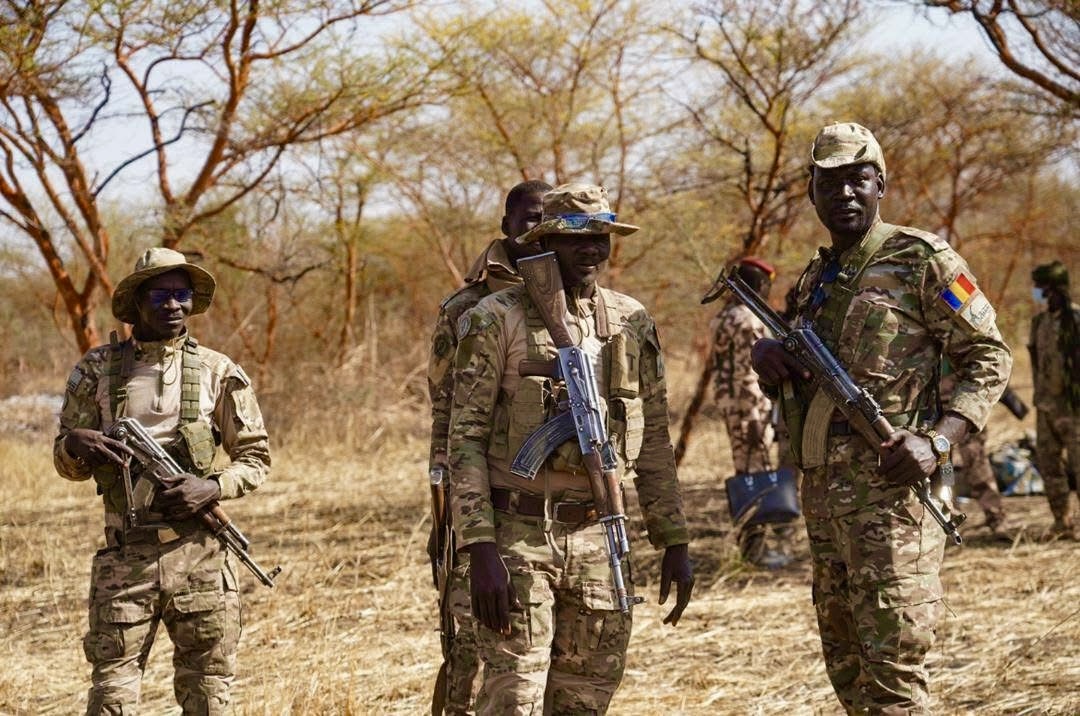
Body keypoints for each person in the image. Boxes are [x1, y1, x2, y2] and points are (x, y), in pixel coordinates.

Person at [750, 123, 1012, 714]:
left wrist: (939, 441)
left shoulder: (922, 259)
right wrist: (770, 357)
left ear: (880, 185)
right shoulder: (817, 278)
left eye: (856, 180)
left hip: (894, 504)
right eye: (829, 183)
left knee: (895, 679)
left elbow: (991, 355)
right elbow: (807, 375)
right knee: (849, 674)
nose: (843, 194)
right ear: (811, 191)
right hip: (825, 506)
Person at [449, 183, 694, 714]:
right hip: (518, 539)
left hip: (600, 538)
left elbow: (653, 438)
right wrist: (480, 547)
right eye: (575, 237)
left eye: (601, 236)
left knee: (585, 700)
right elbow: (462, 439)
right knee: (512, 699)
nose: (591, 248)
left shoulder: (630, 320)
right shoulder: (495, 317)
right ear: (545, 242)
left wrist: (673, 537)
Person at [55, 248, 271, 714]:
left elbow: (255, 459)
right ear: (136, 302)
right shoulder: (95, 370)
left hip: (202, 559)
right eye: (160, 294)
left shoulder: (218, 370)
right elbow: (64, 459)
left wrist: (211, 487)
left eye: (182, 294)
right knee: (112, 697)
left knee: (209, 696)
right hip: (125, 560)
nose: (173, 305)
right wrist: (76, 444)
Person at [426, 179, 551, 714]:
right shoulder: (468, 306)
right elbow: (445, 413)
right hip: (478, 494)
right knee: (472, 647)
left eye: (547, 218)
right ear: (506, 225)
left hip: (551, 505)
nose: (536, 228)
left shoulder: (572, 292)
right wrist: (450, 517)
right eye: (527, 217)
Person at [709, 256, 794, 567]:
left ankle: (751, 548)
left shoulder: (722, 317)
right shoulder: (751, 320)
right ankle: (754, 551)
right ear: (757, 286)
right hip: (750, 405)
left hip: (730, 405)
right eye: (765, 286)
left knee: (745, 471)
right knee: (756, 476)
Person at [1028, 260, 1080, 539]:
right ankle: (1062, 521)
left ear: (1054, 289)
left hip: (1074, 410)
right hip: (1045, 407)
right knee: (1049, 467)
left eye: (1040, 288)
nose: (1036, 293)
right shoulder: (1039, 323)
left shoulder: (1076, 320)